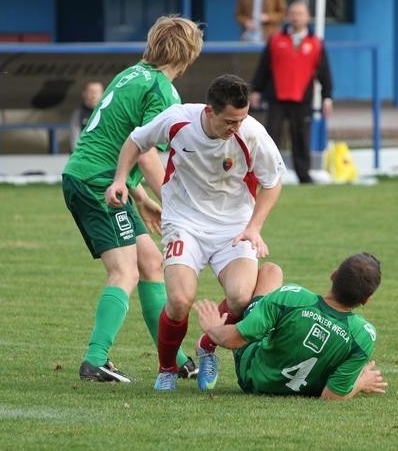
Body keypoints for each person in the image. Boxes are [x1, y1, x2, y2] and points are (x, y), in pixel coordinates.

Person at [108, 73, 286, 392]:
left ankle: (208, 345)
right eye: (230, 121)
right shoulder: (178, 120)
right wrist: (120, 179)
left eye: (242, 119)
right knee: (179, 300)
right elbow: (136, 141)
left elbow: (272, 182)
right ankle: (167, 369)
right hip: (184, 222)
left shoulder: (253, 134)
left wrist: (254, 226)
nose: (236, 127)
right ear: (209, 111)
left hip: (233, 227)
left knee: (241, 297)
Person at [62, 15, 204, 384]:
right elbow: (144, 151)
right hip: (98, 184)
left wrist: (141, 197)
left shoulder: (131, 74)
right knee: (124, 271)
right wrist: (176, 205)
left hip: (94, 177)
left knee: (151, 262)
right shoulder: (161, 90)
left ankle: (176, 358)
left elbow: (120, 139)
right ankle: (95, 360)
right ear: (190, 53)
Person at [194, 252, 387, 400]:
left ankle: (207, 343)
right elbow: (331, 397)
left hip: (252, 377)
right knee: (271, 277)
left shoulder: (292, 297)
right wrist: (360, 382)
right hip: (298, 386)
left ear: (333, 275)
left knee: (271, 271)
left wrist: (212, 329)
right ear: (366, 299)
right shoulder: (363, 336)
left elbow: (234, 340)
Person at [250, 1, 333, 184]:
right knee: (270, 138)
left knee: (301, 139)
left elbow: (324, 72)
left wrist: (327, 97)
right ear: (288, 16)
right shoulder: (276, 39)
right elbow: (263, 68)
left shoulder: (316, 43)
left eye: (300, 13)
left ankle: (304, 176)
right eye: (293, 13)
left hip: (302, 99)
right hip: (277, 98)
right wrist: (256, 90)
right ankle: (266, 176)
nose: (296, 17)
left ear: (307, 17)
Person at [69, 81, 104, 151]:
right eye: (91, 91)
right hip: (84, 155)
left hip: (104, 155)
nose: (94, 95)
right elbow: (74, 138)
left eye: (97, 92)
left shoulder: (108, 113)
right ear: (84, 94)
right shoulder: (78, 114)